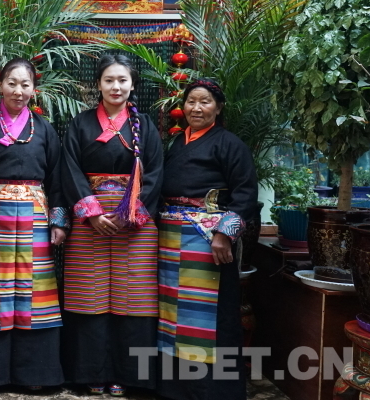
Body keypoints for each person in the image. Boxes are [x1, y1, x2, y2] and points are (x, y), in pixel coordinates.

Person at [0, 57, 69, 395]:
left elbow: (58, 177)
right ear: (0, 85)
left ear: (34, 89)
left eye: (25, 84)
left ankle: (34, 373)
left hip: (35, 219)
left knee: (36, 295)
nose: (19, 91)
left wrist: (58, 221)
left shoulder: (44, 128)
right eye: (12, 83)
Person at [60, 54, 163, 396]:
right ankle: (91, 372)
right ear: (98, 84)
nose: (115, 86)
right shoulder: (80, 124)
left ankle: (129, 375)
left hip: (133, 224)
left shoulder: (145, 126)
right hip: (90, 221)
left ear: (133, 85)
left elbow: (156, 173)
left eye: (122, 80)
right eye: (109, 80)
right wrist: (91, 213)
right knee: (88, 296)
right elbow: (70, 168)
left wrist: (129, 214)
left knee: (134, 297)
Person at [156, 79, 257, 400]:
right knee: (173, 312)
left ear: (219, 107)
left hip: (207, 239)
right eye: (191, 102)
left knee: (208, 316)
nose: (196, 108)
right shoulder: (175, 143)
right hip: (170, 239)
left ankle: (213, 390)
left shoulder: (230, 144)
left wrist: (224, 235)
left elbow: (245, 193)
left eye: (205, 102)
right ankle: (175, 389)